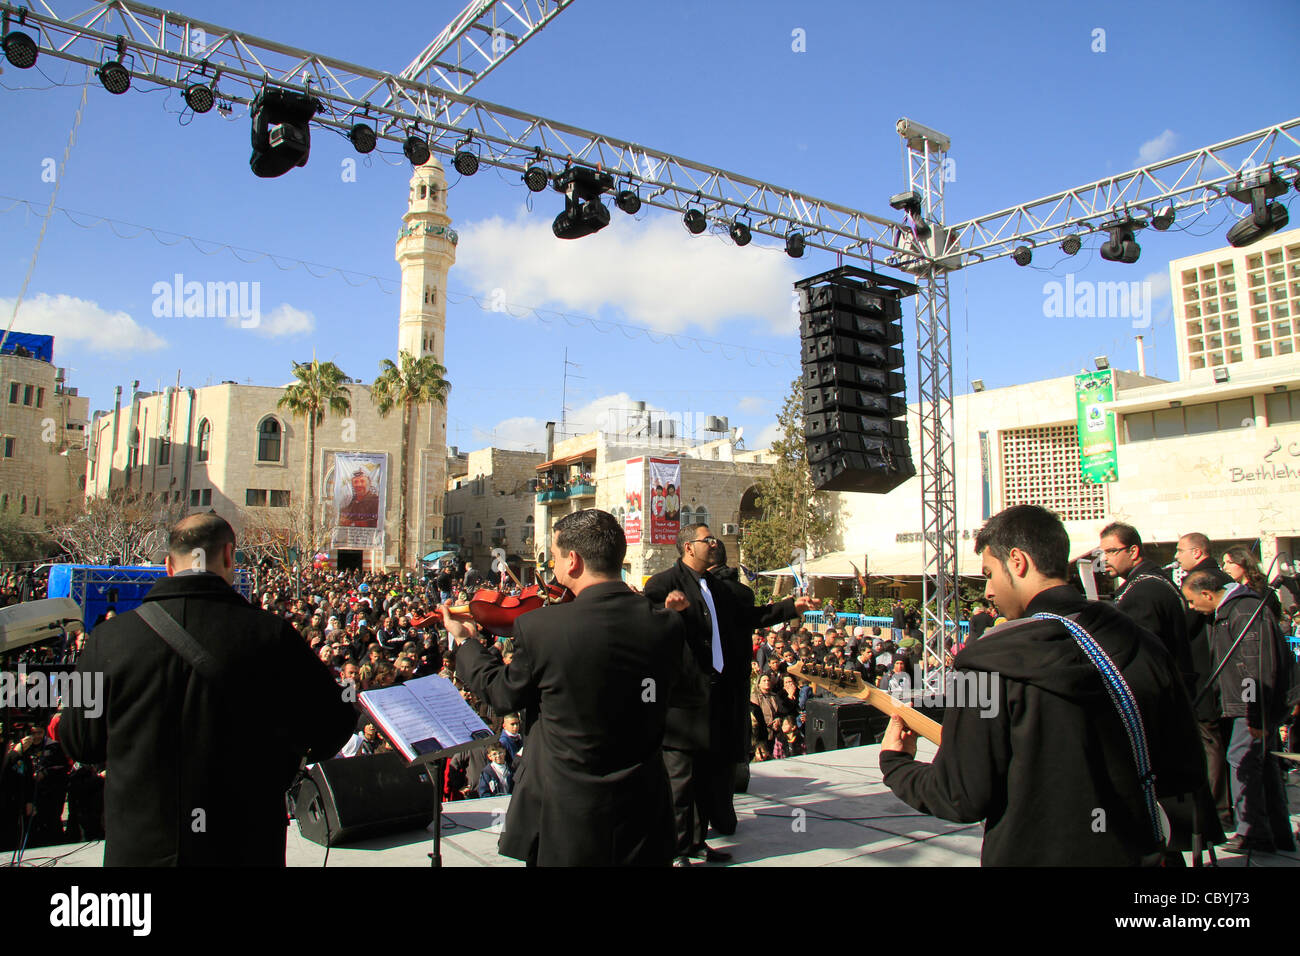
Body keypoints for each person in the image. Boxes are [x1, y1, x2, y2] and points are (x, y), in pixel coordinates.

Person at [880, 504, 1207, 866]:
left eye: (989, 574)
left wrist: (897, 765)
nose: (988, 591)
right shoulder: (1144, 643)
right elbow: (1185, 768)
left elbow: (960, 795)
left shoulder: (987, 663)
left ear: (1017, 561)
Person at [59, 513, 356, 866]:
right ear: (229, 556)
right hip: (242, 842)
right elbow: (335, 721)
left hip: (140, 845)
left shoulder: (104, 640)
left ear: (168, 565)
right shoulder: (272, 635)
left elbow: (79, 741)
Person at [448, 508, 685, 866]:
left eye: (554, 558)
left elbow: (501, 694)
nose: (552, 570)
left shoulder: (541, 627)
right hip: (645, 811)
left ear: (572, 561)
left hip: (568, 815)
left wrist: (467, 644)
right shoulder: (666, 624)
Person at [644, 524, 814, 866]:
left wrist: (790, 608)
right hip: (682, 704)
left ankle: (697, 843)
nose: (714, 543)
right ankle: (676, 850)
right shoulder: (663, 584)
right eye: (707, 539)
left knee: (707, 777)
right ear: (689, 547)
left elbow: (750, 617)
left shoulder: (719, 587)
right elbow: (643, 620)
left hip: (715, 699)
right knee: (680, 783)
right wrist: (666, 611)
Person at [1099, 521, 1223, 857]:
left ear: (1133, 551)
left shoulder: (1145, 592)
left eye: (1111, 551)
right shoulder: (1154, 584)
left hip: (1156, 720)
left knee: (1157, 828)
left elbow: (1135, 660)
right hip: (1171, 710)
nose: (1105, 559)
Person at [1182, 570, 1295, 854]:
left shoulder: (1243, 611)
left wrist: (1255, 714)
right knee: (1264, 765)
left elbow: (1256, 667)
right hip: (1247, 703)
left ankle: (1251, 832)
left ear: (1207, 594)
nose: (1192, 608)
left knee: (1240, 759)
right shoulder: (1231, 611)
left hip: (1253, 704)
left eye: (1193, 602)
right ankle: (1278, 833)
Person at [1176, 531, 1235, 833]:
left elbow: (1186, 625)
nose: (1176, 556)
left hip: (1206, 676)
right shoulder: (1221, 578)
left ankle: (1219, 809)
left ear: (1197, 552)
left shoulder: (1202, 582)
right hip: (1219, 678)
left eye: (1181, 551)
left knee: (1211, 743)